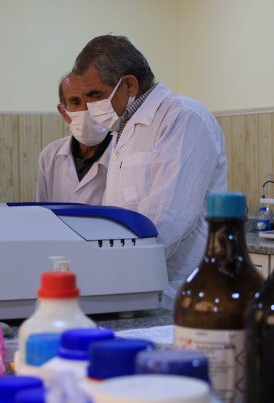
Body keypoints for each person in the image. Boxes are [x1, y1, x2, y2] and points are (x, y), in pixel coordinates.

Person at [72, 35, 227, 305]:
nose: (90, 107)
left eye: (95, 95)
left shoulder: (183, 117)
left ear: (129, 85)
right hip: (135, 285)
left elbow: (169, 220)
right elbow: (117, 215)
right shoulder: (123, 128)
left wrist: (108, 269)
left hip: (181, 292)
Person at [36, 73, 113, 204]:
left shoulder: (122, 154)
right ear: (64, 113)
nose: (86, 109)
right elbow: (42, 209)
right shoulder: (49, 156)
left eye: (93, 99)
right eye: (75, 102)